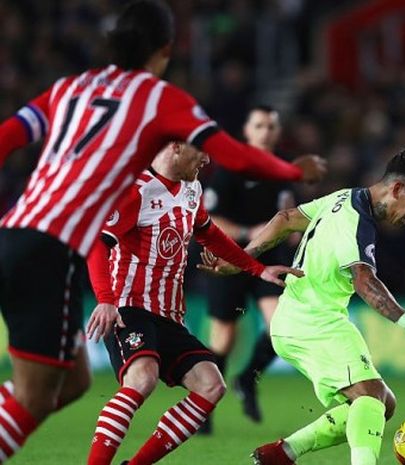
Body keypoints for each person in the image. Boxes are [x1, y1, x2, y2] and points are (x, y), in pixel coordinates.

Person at [0, 0, 326, 461]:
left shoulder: (69, 88)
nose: (206, 160)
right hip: (64, 256)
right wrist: (293, 173)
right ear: (166, 50)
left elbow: (9, 135)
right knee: (121, 381)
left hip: (21, 236)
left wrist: (255, 269)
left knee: (77, 384)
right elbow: (236, 153)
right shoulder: (160, 106)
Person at [200, 148, 405, 465]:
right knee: (371, 396)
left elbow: (286, 219)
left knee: (381, 404)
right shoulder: (357, 221)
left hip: (308, 318)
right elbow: (364, 281)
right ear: (398, 189)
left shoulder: (345, 197)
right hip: (310, 321)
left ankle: (284, 452)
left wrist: (244, 257)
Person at [84, 141, 301, 465]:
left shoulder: (191, 189)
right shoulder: (136, 190)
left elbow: (210, 234)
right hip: (129, 308)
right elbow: (98, 246)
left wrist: (257, 268)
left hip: (169, 315)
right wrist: (105, 300)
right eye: (200, 150)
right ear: (175, 147)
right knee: (142, 378)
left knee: (211, 384)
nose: (207, 158)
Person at [203, 105, 294, 428]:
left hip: (269, 259)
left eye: (271, 126)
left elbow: (287, 213)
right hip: (229, 258)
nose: (266, 131)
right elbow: (209, 218)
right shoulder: (232, 167)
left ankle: (246, 379)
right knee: (223, 338)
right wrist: (245, 233)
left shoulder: (284, 168)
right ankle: (205, 401)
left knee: (281, 326)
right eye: (260, 126)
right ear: (248, 131)